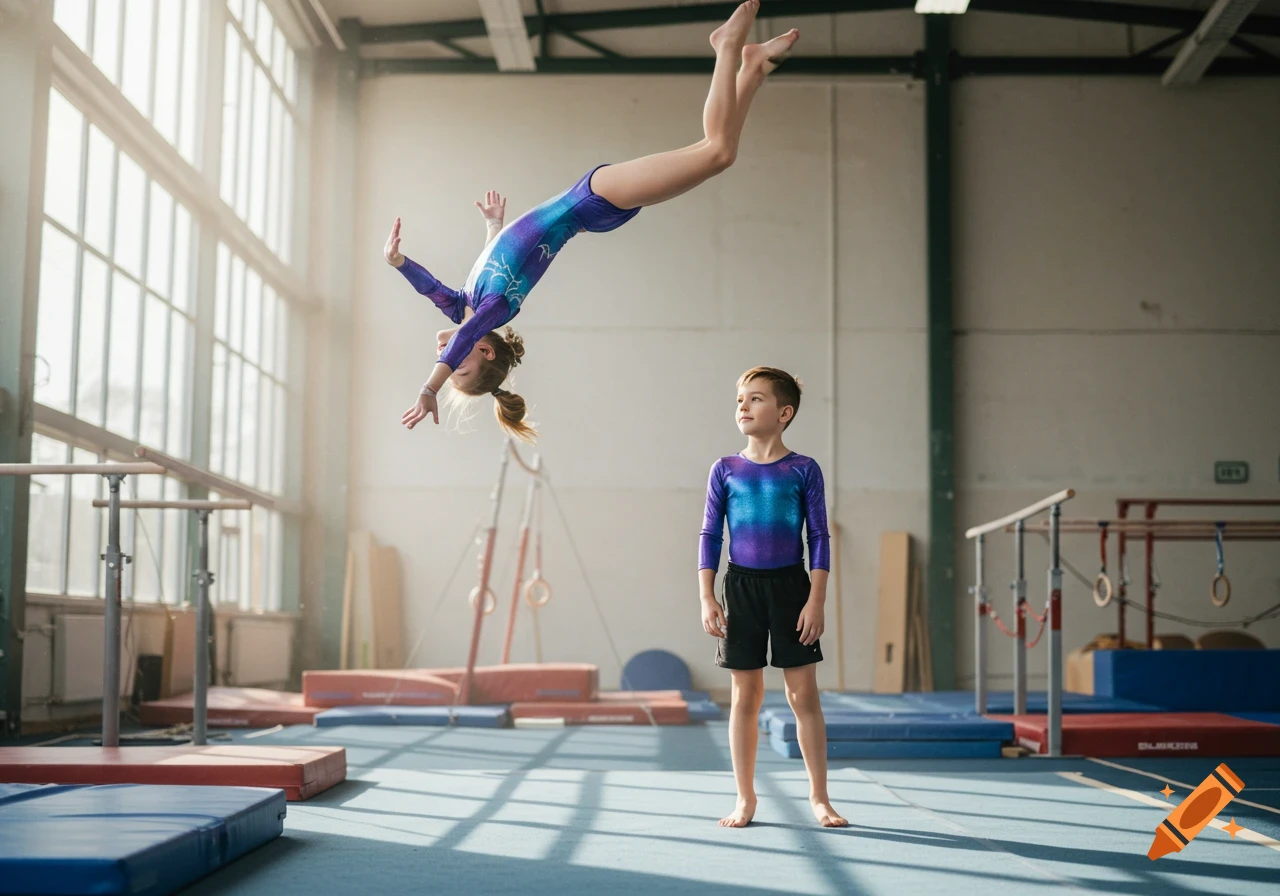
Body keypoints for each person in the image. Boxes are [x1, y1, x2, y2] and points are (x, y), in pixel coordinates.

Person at [386, 0, 799, 441]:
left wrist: (400, 260)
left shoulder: (465, 300)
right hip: (592, 201)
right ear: (482, 349)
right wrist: (429, 387)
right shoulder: (491, 310)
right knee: (717, 152)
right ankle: (733, 53)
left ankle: (749, 67)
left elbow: (435, 288)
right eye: (460, 364)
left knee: (718, 153)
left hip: (592, 203)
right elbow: (467, 329)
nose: (448, 356)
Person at [699, 366, 846, 828]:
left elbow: (819, 536)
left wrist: (816, 600)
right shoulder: (725, 469)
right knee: (746, 695)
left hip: (791, 587)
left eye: (756, 398)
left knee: (803, 695)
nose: (743, 405)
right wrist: (707, 595)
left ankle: (819, 797)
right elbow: (710, 535)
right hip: (740, 587)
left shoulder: (803, 469)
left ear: (784, 413)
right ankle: (745, 798)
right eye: (740, 398)